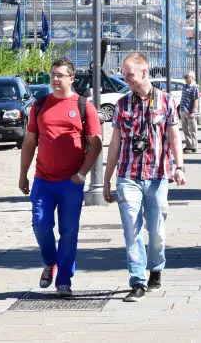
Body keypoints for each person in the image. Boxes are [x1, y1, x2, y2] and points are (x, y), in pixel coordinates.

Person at [103, 52, 186, 303]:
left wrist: (179, 168)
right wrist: (107, 178)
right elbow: (115, 143)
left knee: (157, 231)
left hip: (157, 175)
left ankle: (156, 268)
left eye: (129, 74)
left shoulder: (165, 101)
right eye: (124, 74)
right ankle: (137, 281)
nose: (125, 78)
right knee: (131, 228)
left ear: (144, 72)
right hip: (128, 175)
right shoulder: (122, 105)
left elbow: (174, 137)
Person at [18, 57, 102, 297]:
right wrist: (23, 174)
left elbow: (95, 145)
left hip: (71, 182)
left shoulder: (85, 106)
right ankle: (49, 261)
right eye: (53, 74)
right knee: (40, 225)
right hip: (43, 179)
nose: (55, 79)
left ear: (71, 78)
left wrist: (82, 174)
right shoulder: (40, 105)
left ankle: (64, 279)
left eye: (60, 75)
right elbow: (30, 142)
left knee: (68, 232)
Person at [179, 71, 199, 153]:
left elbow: (196, 100)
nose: (185, 78)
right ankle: (188, 145)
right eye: (185, 77)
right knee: (185, 129)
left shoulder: (195, 87)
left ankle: (194, 146)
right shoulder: (184, 86)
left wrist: (193, 111)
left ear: (192, 78)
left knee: (193, 129)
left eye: (187, 77)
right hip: (183, 110)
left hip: (190, 111)